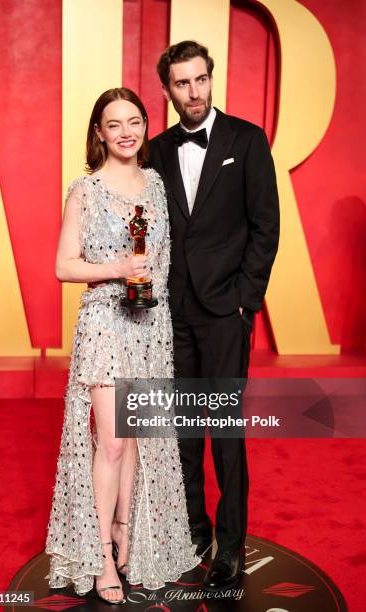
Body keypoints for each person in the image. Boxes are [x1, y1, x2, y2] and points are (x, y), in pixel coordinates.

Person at [45, 87, 200, 604]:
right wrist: (116, 270)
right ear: (99, 133)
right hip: (106, 324)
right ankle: (102, 558)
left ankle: (125, 528)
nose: (127, 132)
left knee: (133, 438)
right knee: (111, 441)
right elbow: (64, 266)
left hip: (149, 325)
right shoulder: (85, 190)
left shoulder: (154, 184)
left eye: (134, 121)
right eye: (115, 124)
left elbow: (161, 259)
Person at [148, 41, 280, 591]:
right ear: (167, 90)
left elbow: (264, 226)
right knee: (181, 432)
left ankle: (230, 546)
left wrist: (246, 299)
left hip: (227, 311)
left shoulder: (246, 140)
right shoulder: (155, 150)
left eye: (200, 80)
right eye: (182, 83)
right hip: (172, 313)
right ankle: (192, 532)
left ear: (211, 77)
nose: (194, 92)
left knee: (224, 431)